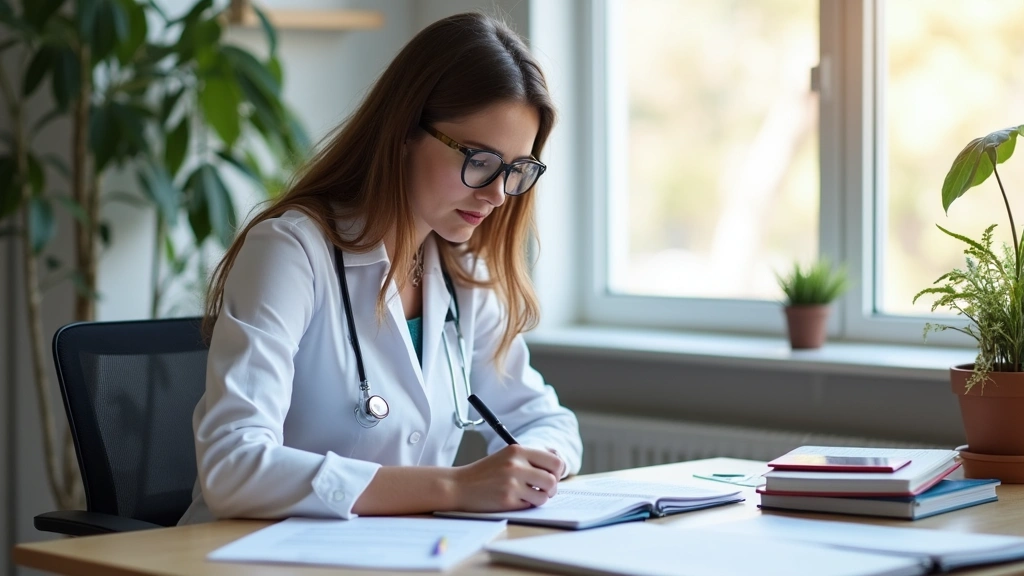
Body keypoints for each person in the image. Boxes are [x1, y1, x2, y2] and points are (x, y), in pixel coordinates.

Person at [177, 11, 583, 524]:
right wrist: (455, 486)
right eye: (478, 159)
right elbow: (233, 468)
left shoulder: (464, 275)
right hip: (249, 556)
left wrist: (534, 466)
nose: (497, 192)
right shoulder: (291, 251)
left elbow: (548, 421)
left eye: (516, 169)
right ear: (404, 133)